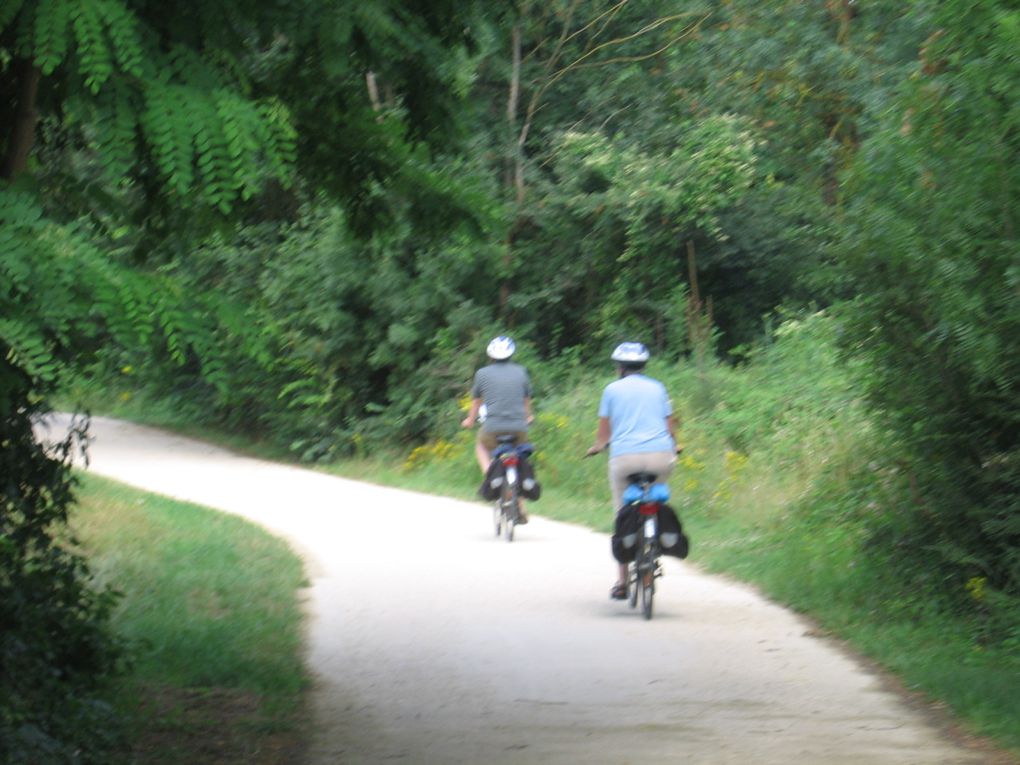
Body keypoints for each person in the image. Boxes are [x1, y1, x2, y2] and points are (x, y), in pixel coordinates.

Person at [586, 342, 679, 600]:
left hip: (625, 458)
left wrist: (597, 447)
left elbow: (604, 432)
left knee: (623, 514)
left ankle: (622, 582)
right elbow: (669, 425)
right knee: (657, 495)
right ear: (644, 365)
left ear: (620, 367)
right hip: (660, 456)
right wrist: (676, 444)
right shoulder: (658, 388)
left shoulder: (611, 390)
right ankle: (655, 534)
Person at [461, 335, 534, 520]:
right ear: (511, 354)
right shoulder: (521, 372)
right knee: (520, 456)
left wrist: (470, 420)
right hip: (519, 429)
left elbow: (476, 402)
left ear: (491, 355)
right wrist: (528, 417)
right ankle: (521, 505)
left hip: (492, 428)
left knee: (481, 445)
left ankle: (492, 476)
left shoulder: (482, 374)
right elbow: (526, 401)